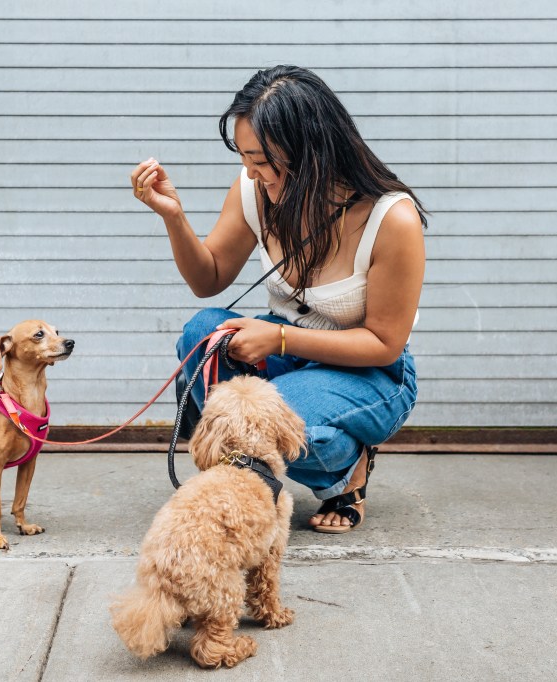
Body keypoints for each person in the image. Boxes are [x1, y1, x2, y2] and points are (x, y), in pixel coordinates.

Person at [130, 65, 427, 533]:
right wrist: (173, 216)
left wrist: (281, 338)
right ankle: (246, 474)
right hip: (285, 351)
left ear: (311, 152)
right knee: (202, 333)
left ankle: (346, 474)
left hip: (371, 372)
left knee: (270, 422)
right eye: (244, 156)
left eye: (262, 160)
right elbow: (209, 279)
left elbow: (385, 343)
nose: (249, 171)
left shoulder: (392, 219)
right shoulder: (254, 188)